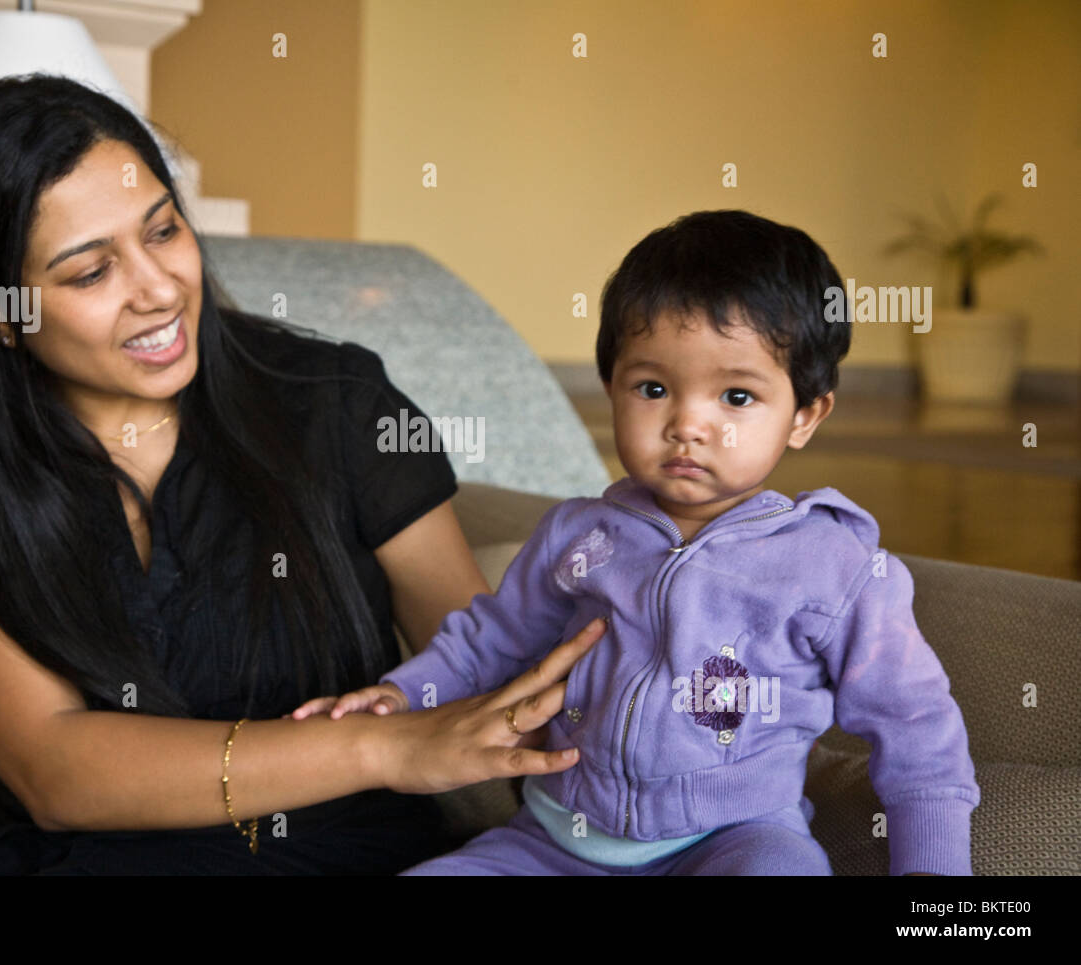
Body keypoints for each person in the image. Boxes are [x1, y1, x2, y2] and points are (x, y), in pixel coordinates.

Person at [0, 73, 603, 876]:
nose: (157, 289)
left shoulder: (335, 403)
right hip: (48, 850)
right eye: (89, 272)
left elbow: (488, 663)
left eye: (164, 230)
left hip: (320, 849)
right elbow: (53, 768)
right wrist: (379, 745)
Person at [298, 210, 981, 876]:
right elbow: (489, 641)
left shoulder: (834, 565)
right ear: (611, 388)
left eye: (737, 397)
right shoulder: (579, 534)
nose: (687, 423)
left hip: (735, 838)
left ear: (805, 414)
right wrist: (400, 695)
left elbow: (916, 726)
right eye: (653, 387)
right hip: (552, 840)